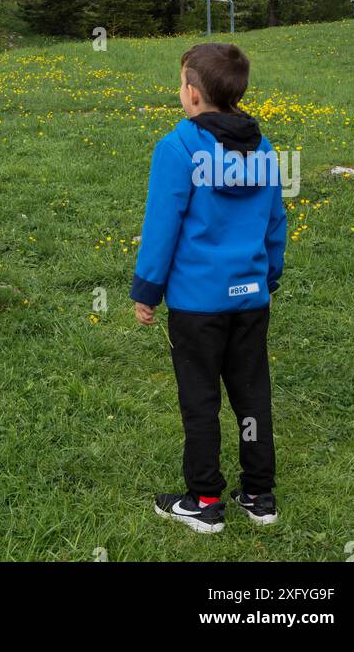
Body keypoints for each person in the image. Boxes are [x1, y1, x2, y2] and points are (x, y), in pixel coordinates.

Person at [130, 42, 287, 534]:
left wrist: (146, 290)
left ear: (193, 95)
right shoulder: (262, 148)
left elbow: (162, 227)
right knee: (251, 394)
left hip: (199, 305)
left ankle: (203, 501)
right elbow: (274, 222)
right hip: (250, 298)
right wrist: (269, 275)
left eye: (181, 83)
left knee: (200, 399)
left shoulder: (177, 148)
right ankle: (259, 495)